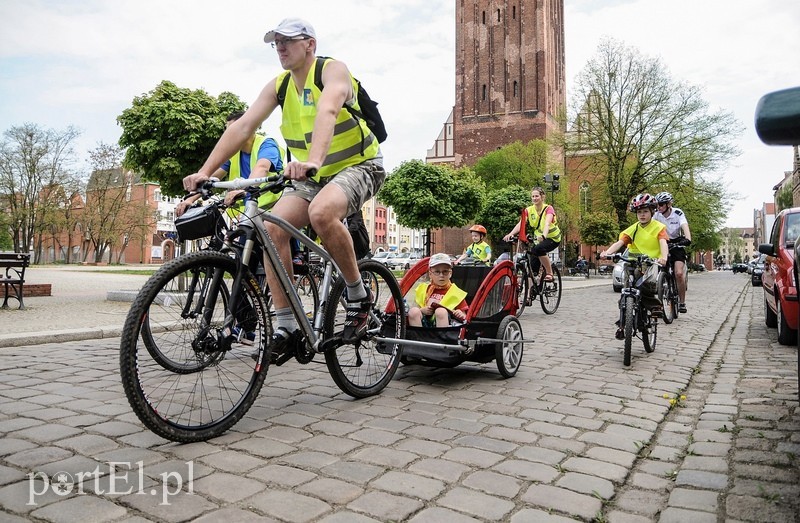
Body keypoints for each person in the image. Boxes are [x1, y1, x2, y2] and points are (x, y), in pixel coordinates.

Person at [182, 18, 385, 351]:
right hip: (312, 175)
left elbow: (329, 109)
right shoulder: (279, 86)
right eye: (276, 41)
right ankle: (287, 327)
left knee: (322, 213)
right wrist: (204, 172)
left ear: (310, 45)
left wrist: (314, 161)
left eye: (289, 40)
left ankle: (358, 295)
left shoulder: (332, 71)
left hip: (358, 165)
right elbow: (243, 126)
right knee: (273, 228)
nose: (281, 46)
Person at [175, 111, 284, 218]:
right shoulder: (233, 153)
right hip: (246, 216)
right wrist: (190, 199)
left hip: (272, 213)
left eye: (232, 130)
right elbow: (212, 178)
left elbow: (262, 167)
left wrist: (242, 190)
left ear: (248, 128)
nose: (228, 135)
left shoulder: (266, 144)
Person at [601, 193, 669, 339]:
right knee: (626, 292)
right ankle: (623, 324)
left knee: (646, 284)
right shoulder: (633, 229)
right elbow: (620, 243)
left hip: (650, 262)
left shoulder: (659, 227)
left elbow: (663, 242)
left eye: (645, 212)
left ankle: (655, 306)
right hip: (632, 260)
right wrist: (607, 252)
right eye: (639, 212)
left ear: (652, 211)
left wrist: (663, 257)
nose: (642, 215)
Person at [503, 186, 561, 282]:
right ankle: (530, 294)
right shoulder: (529, 210)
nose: (534, 198)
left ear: (542, 197)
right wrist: (511, 234)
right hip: (538, 239)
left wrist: (544, 236)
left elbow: (547, 223)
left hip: (552, 238)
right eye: (533, 196)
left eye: (537, 196)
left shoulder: (548, 208)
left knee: (539, 249)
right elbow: (521, 224)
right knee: (532, 265)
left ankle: (550, 273)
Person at [654, 191, 691, 313]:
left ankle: (682, 302)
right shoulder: (656, 215)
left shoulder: (677, 213)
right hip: (662, 243)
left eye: (661, 205)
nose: (659, 207)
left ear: (668, 204)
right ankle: (660, 300)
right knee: (659, 273)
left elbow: (684, 225)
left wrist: (687, 238)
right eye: (657, 205)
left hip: (676, 243)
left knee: (679, 273)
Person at [408, 253, 469, 328]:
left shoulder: (456, 293)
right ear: (430, 274)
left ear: (450, 273)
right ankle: (417, 337)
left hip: (446, 326)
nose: (441, 275)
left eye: (445, 271)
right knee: (413, 311)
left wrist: (460, 314)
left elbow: (465, 317)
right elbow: (415, 308)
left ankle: (440, 338)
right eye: (437, 272)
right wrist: (422, 310)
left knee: (440, 311)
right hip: (424, 324)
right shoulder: (423, 289)